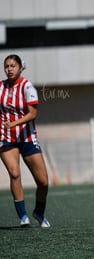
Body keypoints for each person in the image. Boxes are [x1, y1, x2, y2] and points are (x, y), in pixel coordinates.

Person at [1, 54, 50, 228]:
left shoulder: (27, 86)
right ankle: (23, 217)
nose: (9, 69)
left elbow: (33, 113)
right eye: (6, 66)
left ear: (20, 67)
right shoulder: (0, 87)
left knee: (43, 182)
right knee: (14, 173)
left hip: (27, 138)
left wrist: (13, 123)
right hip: (6, 139)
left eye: (13, 65)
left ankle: (39, 211)